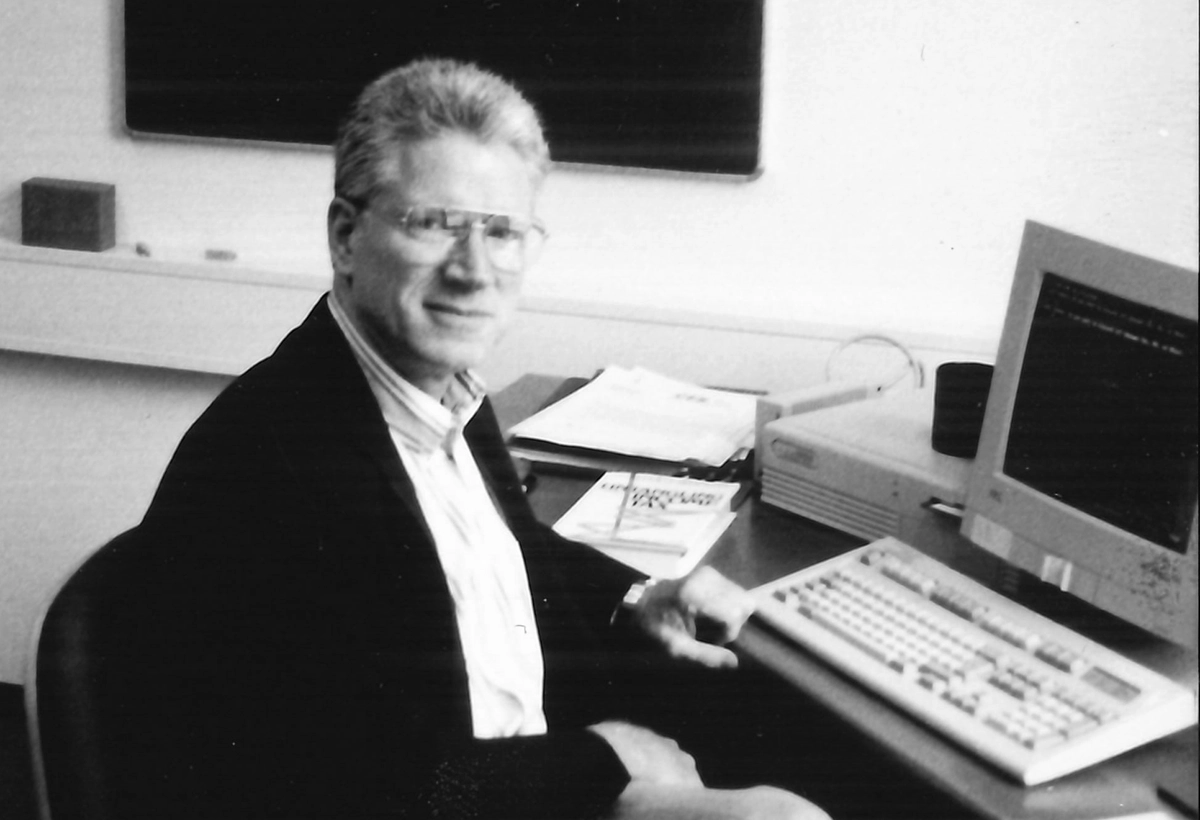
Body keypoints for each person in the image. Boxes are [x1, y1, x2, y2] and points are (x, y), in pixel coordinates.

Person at [117, 58, 829, 819]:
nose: (475, 269)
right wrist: (601, 760)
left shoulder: (439, 390)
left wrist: (638, 596)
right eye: (434, 224)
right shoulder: (265, 466)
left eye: (502, 231)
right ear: (346, 237)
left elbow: (503, 555)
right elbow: (324, 790)